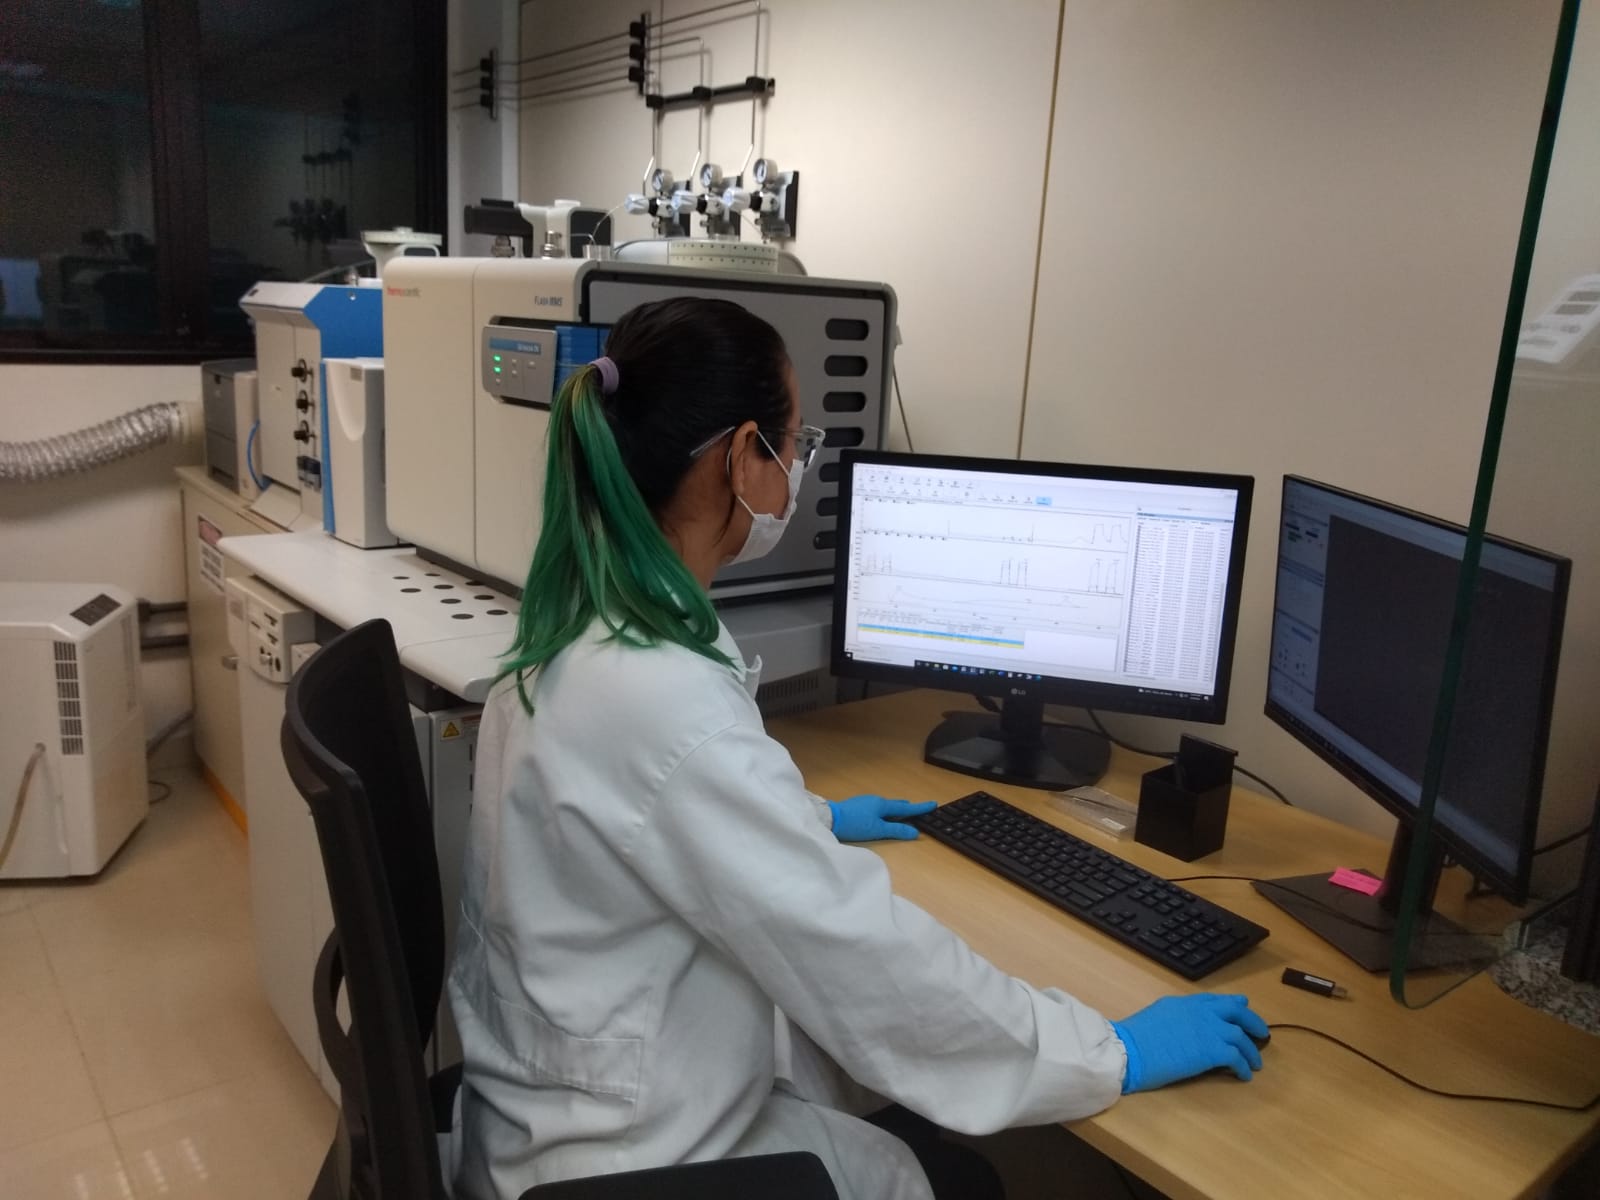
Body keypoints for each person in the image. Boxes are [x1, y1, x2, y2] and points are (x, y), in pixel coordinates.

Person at [446, 297, 1269, 1200]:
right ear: (741, 457)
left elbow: (627, 821)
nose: (797, 468)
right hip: (627, 1160)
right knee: (934, 1174)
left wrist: (805, 819)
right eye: (795, 444)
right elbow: (869, 960)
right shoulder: (663, 698)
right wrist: (1108, 1049)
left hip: (552, 1110)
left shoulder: (580, 627)